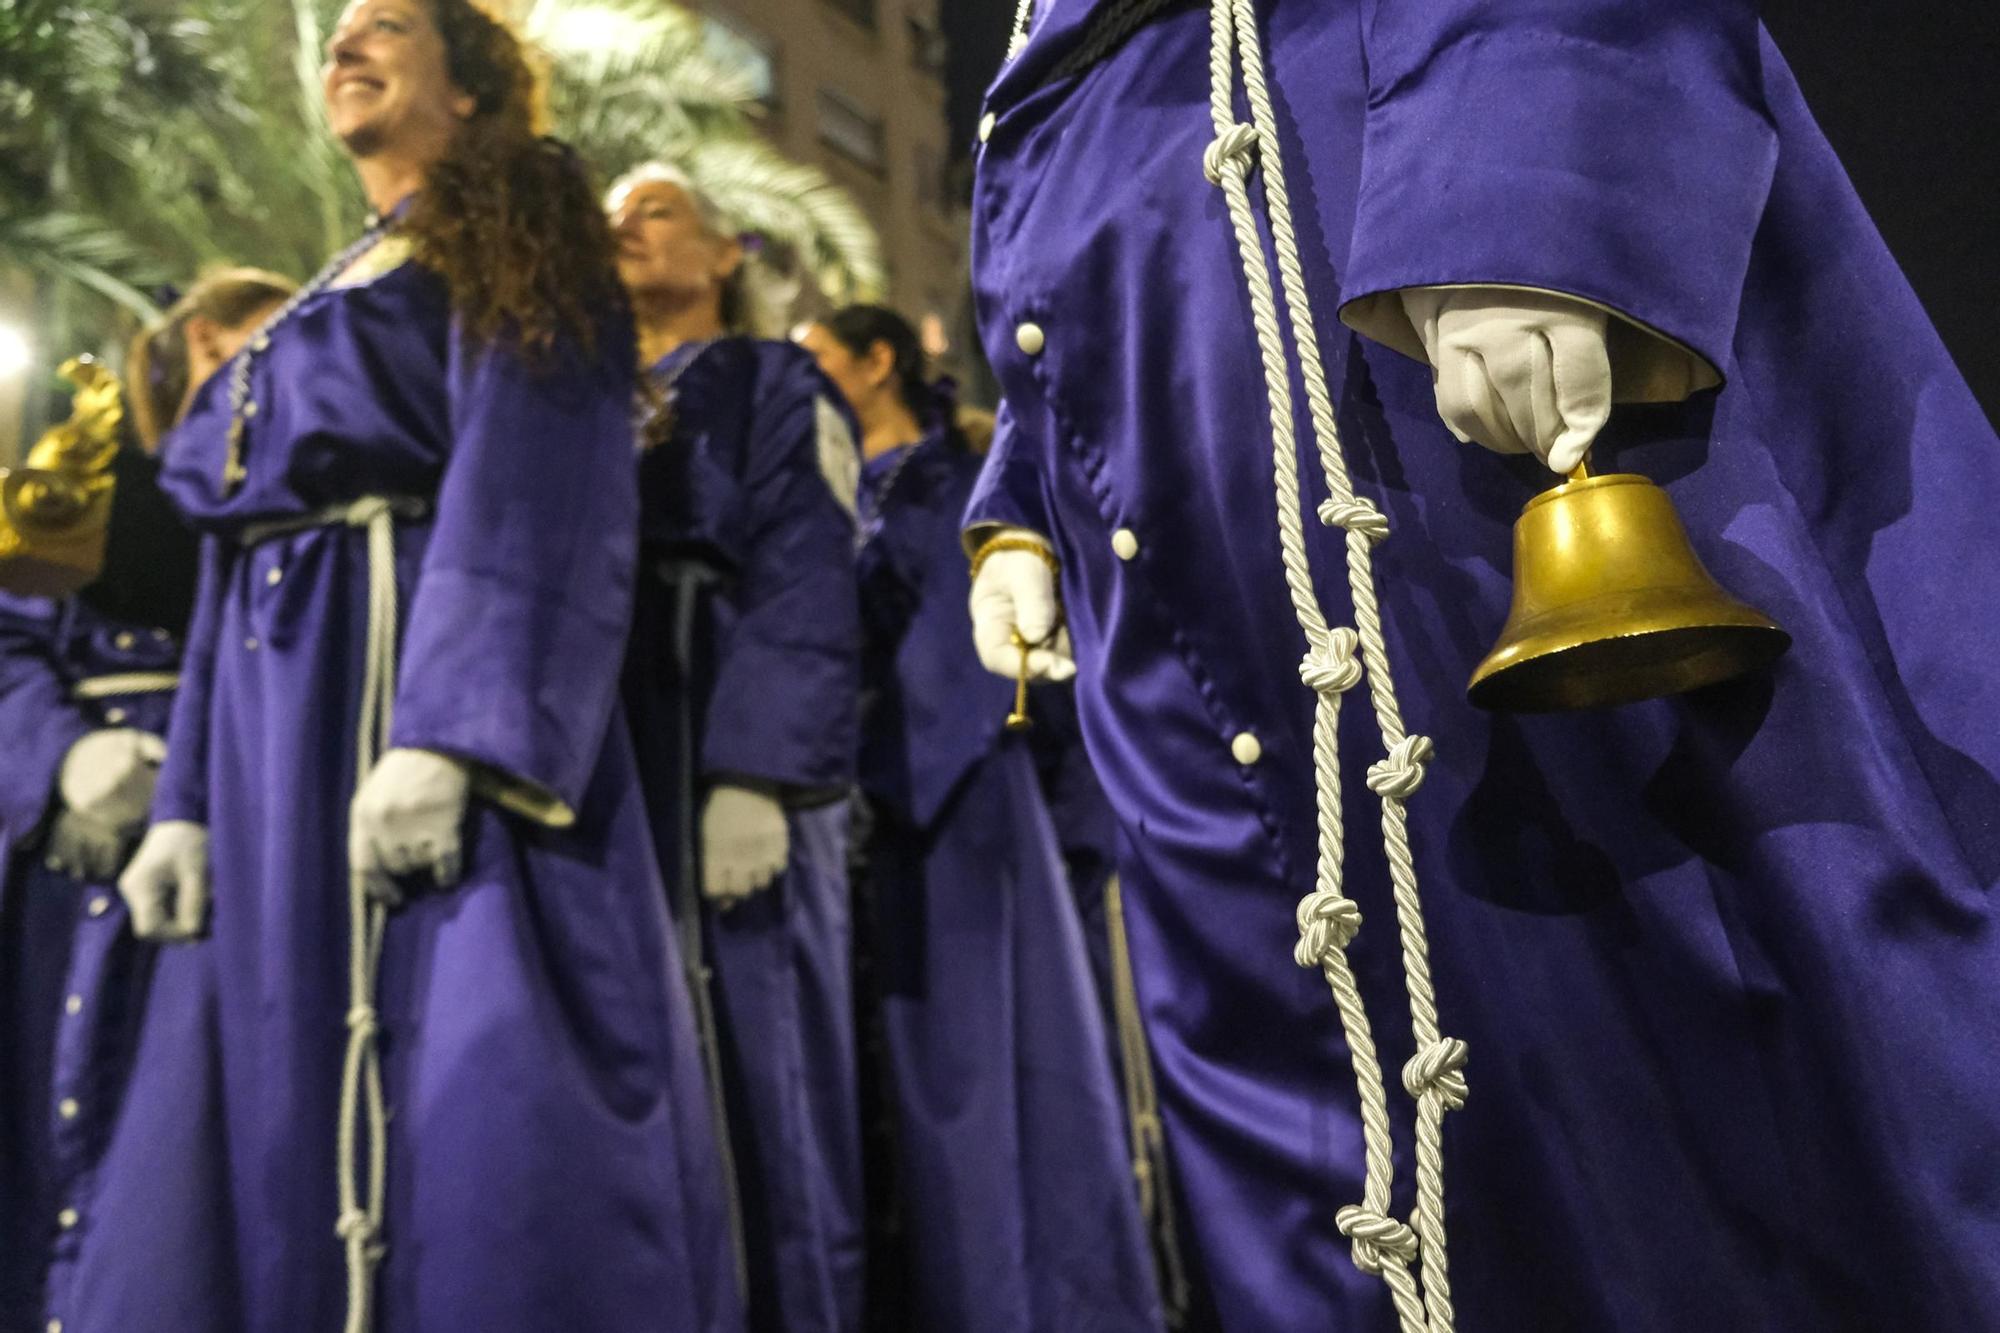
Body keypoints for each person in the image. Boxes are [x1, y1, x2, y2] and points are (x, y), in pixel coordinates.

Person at [964, 2, 2000, 1330]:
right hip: (1194, 566)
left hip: (1411, 302)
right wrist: (1029, 491)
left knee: (1696, 1023)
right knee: (1343, 1110)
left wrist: (1524, 180)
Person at [62, 5, 742, 1331]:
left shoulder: (522, 220)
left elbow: (539, 463)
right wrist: (191, 795)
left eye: (385, 27)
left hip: (401, 697)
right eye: (336, 33)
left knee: (465, 1081)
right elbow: (233, 546)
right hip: (273, 729)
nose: (343, 46)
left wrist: (458, 729)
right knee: (269, 1083)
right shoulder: (331, 279)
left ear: (475, 88)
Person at [800, 305, 1167, 1333]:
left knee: (1003, 1073)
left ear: (876, 365)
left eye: (818, 357)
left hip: (954, 795)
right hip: (872, 806)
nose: (802, 376)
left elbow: (987, 663)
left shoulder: (944, 484)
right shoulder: (843, 486)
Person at [0, 269, 293, 1331]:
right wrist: (60, 760)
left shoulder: (307, 509)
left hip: (251, 852)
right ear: (204, 346)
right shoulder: (80, 476)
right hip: (76, 859)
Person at [610, 162, 864, 1333]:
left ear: (725, 256)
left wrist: (754, 770)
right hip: (614, 737)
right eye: (610, 217)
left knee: (769, 1069)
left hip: (727, 734)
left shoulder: (775, 377)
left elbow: (808, 565)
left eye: (655, 210)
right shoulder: (575, 386)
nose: (624, 228)